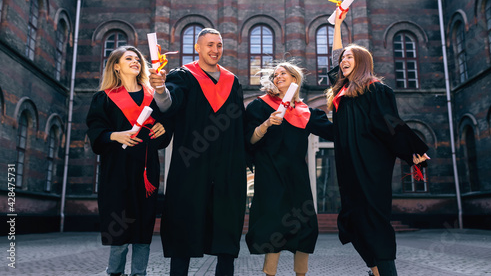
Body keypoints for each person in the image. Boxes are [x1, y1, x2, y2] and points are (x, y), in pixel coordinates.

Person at [325, 11, 430, 276]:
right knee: (352, 220)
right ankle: (376, 270)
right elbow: (335, 54)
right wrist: (337, 24)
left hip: (371, 166)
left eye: (350, 57)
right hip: (349, 168)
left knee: (373, 219)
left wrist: (413, 151)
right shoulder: (342, 92)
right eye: (343, 58)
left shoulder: (376, 89)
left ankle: (385, 271)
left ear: (361, 63)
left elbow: (391, 124)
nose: (343, 60)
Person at [149, 28, 247, 276]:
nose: (215, 50)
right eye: (210, 45)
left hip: (226, 167)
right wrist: (160, 90)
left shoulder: (232, 82)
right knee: (184, 223)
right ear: (198, 47)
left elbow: (239, 125)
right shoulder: (183, 76)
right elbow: (170, 104)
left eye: (219, 45)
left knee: (225, 229)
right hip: (191, 164)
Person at [86, 46, 171, 276]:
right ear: (116, 66)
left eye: (137, 59)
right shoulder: (103, 98)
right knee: (119, 231)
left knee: (143, 228)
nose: (135, 62)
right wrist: (115, 135)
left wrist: (164, 128)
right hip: (116, 173)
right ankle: (114, 272)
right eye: (128, 58)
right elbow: (95, 132)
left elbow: (164, 132)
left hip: (146, 173)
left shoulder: (153, 96)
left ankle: (139, 273)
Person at [244, 62, 335, 276]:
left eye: (283, 73)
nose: (277, 77)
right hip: (270, 174)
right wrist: (266, 124)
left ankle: (301, 274)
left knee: (304, 227)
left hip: (296, 176)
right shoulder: (260, 106)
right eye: (275, 75)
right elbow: (249, 140)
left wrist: (343, 104)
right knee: (273, 226)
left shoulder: (308, 112)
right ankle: (270, 274)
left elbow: (335, 132)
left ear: (295, 78)